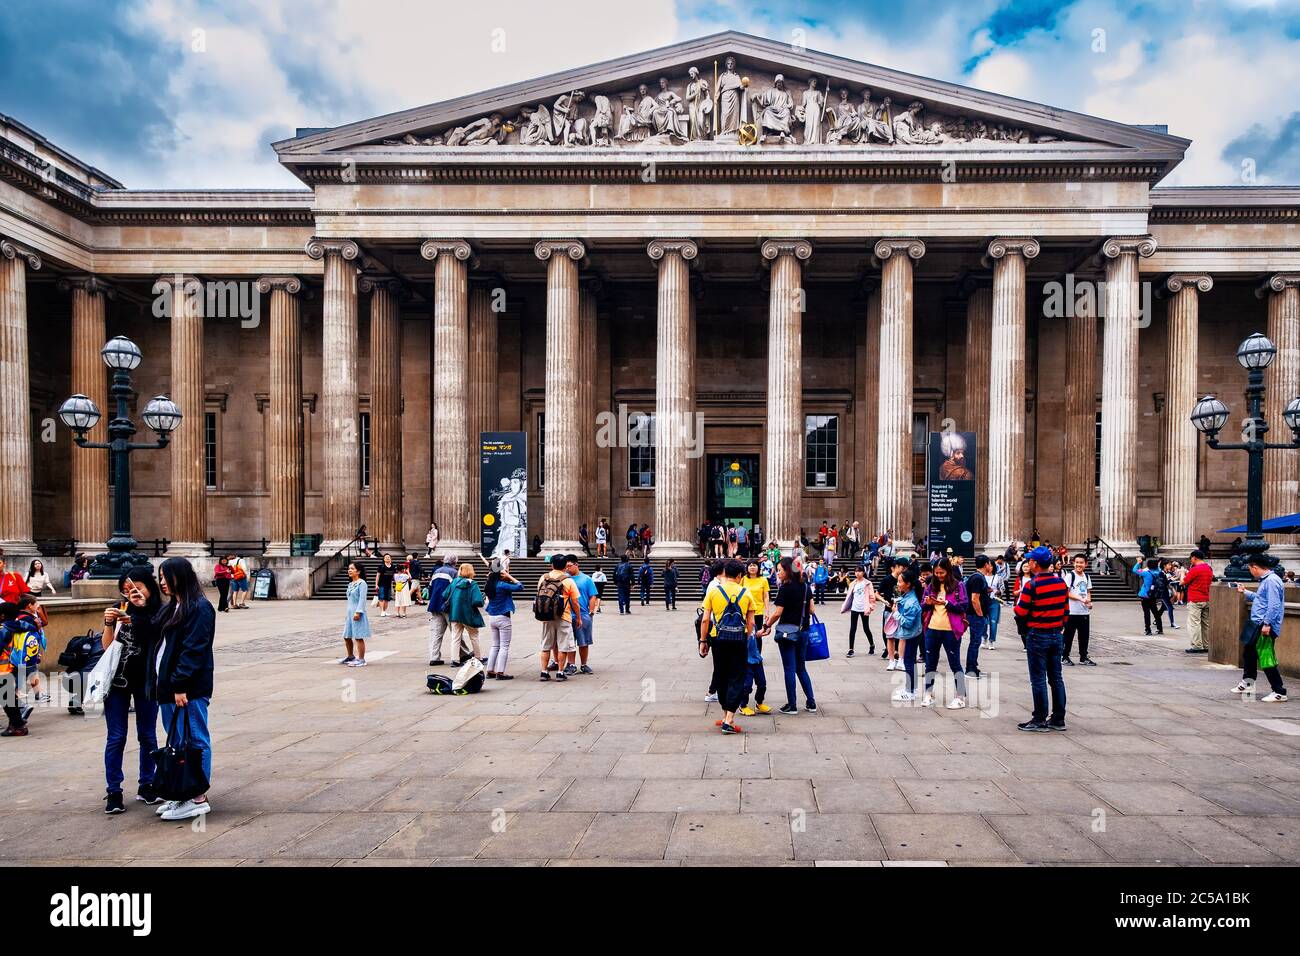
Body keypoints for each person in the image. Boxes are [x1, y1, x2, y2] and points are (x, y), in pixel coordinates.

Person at [149, 557, 216, 820]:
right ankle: (182, 792)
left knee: (195, 739)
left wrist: (180, 684)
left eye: (166, 576)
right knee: (178, 741)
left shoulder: (199, 607)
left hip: (187, 689)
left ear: (180, 576)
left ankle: (198, 796)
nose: (162, 582)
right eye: (160, 577)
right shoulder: (175, 606)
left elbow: (194, 649)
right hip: (168, 688)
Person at [99, 569, 163, 813]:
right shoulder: (120, 608)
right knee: (116, 737)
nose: (132, 593)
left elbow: (156, 638)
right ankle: (113, 790)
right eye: (127, 589)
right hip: (117, 682)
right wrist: (109, 623)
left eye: (137, 587)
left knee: (147, 735)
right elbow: (107, 647)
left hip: (146, 682)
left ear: (149, 587)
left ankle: (147, 783)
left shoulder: (158, 610)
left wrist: (140, 614)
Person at [1013, 546, 1069, 732]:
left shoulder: (1031, 585)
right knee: (1056, 678)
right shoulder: (1061, 583)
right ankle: (1058, 719)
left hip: (1037, 634)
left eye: (1030, 560)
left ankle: (1039, 719)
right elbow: (1066, 612)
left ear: (1035, 564)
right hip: (1056, 634)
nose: (1028, 562)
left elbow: (1020, 611)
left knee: (1038, 679)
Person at [698, 559, 757, 734]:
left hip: (718, 639)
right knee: (737, 677)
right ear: (739, 575)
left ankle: (725, 715)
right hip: (738, 639)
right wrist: (745, 638)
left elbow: (705, 619)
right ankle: (729, 718)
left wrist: (703, 641)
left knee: (722, 675)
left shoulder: (714, 592)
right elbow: (751, 622)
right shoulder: (746, 593)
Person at [760, 557, 815, 715]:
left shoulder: (785, 588)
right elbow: (812, 610)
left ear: (788, 570)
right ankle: (811, 702)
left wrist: (767, 626)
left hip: (788, 632)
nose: (778, 573)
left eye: (780, 570)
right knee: (801, 668)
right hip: (803, 630)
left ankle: (792, 705)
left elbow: (778, 612)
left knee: (789, 668)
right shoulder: (805, 586)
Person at [1232, 555, 1288, 701]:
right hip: (1258, 624)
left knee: (1266, 657)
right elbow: (1261, 599)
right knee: (1249, 653)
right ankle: (1248, 682)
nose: (1251, 572)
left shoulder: (1271, 581)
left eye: (1250, 569)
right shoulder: (1267, 581)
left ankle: (1279, 691)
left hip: (1264, 625)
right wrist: (1245, 592)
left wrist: (1267, 624)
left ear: (1255, 567)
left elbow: (1274, 605)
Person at [919, 557, 969, 708]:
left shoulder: (958, 585)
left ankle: (960, 697)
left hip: (950, 630)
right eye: (936, 573)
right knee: (930, 663)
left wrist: (946, 603)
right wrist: (928, 604)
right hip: (932, 628)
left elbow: (964, 606)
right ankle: (928, 694)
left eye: (942, 572)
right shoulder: (930, 586)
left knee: (955, 663)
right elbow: (923, 605)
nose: (939, 575)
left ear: (948, 571)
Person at [536, 554, 582, 682]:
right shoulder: (568, 581)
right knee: (563, 646)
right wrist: (578, 618)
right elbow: (575, 603)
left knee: (546, 645)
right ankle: (560, 672)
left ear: (551, 565)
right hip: (564, 617)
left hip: (546, 617)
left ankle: (544, 672)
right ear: (565, 567)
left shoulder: (543, 578)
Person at [0, 600, 42, 736]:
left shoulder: (3, 630)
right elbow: (30, 626)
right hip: (10, 667)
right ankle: (18, 723)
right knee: (8, 699)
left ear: (2, 616)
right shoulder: (18, 625)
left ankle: (18, 726)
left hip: (2, 669)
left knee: (8, 700)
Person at [739, 560, 771, 716]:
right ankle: (748, 656)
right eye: (750, 565)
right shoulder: (743, 579)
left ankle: (756, 655)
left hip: (758, 612)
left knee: (756, 639)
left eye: (755, 565)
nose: (752, 567)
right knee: (747, 637)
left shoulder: (763, 580)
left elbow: (766, 596)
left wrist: (767, 611)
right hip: (745, 611)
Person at [887, 569, 924, 692]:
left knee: (909, 662)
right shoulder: (908, 597)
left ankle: (910, 691)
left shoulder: (911, 602)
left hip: (911, 635)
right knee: (909, 661)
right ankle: (910, 688)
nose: (898, 584)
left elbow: (908, 623)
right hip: (911, 633)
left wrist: (896, 613)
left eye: (900, 582)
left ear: (908, 584)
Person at [484, 567, 522, 679]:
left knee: (495, 645)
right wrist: (509, 576)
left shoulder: (489, 585)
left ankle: (490, 670)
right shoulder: (501, 585)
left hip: (492, 616)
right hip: (503, 617)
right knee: (504, 646)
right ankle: (500, 672)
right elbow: (520, 586)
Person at [566, 555, 599, 675]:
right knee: (570, 642)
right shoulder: (565, 579)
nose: (568, 568)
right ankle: (571, 664)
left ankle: (584, 664)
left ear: (576, 564)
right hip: (568, 614)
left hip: (584, 613)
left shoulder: (586, 579)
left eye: (569, 566)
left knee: (583, 642)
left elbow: (593, 595)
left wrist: (591, 612)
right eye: (566, 566)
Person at [447, 563, 486, 664]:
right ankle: (478, 657)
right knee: (474, 636)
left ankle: (454, 660)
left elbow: (445, 595)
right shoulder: (472, 584)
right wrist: (483, 598)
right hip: (468, 614)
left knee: (455, 637)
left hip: (455, 613)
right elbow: (477, 601)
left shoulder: (454, 582)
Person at [1061, 553, 1095, 666]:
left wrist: (1088, 601)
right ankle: (1065, 656)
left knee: (1084, 636)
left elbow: (1088, 591)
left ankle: (1083, 657)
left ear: (1086, 564)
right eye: (1077, 562)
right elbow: (1066, 593)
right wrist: (1080, 598)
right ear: (1073, 563)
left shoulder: (1087, 576)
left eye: (1081, 563)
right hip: (1071, 611)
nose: (1079, 565)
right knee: (1068, 636)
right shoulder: (1070, 576)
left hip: (1084, 611)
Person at [426, 554, 458, 666]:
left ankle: (434, 657)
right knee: (455, 631)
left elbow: (430, 587)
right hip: (447, 605)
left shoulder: (436, 571)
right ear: (454, 562)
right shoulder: (454, 572)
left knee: (436, 633)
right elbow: (455, 590)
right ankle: (464, 654)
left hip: (434, 604)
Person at [339, 560, 370, 666]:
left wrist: (358, 612)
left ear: (358, 571)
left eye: (352, 569)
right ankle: (350, 656)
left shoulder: (362, 583)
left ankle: (361, 659)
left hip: (358, 612)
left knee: (358, 636)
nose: (349, 570)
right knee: (346, 636)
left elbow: (362, 599)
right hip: (349, 612)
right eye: (349, 569)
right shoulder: (351, 583)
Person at [964, 555, 991, 676]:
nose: (991, 566)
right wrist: (980, 615)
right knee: (975, 641)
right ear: (986, 565)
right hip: (975, 615)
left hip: (975, 615)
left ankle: (973, 666)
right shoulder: (977, 578)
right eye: (989, 564)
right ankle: (970, 669)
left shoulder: (978, 578)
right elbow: (974, 599)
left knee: (975, 641)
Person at [841, 565, 876, 658]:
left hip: (864, 608)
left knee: (866, 628)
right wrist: (845, 606)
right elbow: (849, 596)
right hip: (854, 608)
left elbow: (872, 596)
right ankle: (851, 649)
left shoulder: (868, 583)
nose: (857, 573)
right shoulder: (853, 583)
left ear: (863, 572)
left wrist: (871, 606)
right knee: (852, 629)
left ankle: (872, 645)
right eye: (856, 571)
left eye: (859, 571)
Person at [1183, 550, 1213, 654]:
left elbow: (1183, 581)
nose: (1190, 560)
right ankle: (1206, 645)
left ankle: (1197, 646)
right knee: (1206, 624)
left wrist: (1183, 573)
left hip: (1195, 599)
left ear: (1194, 557)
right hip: (1206, 598)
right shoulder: (1209, 568)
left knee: (1194, 623)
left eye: (1190, 558)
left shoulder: (1195, 569)